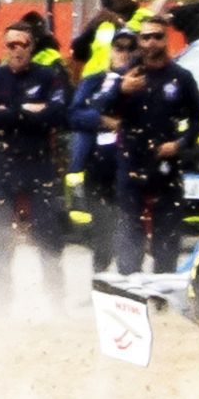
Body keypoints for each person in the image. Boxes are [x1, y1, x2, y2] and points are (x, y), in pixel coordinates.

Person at [100, 17, 199, 274]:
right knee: (129, 230)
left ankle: (161, 295)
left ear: (166, 38)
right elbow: (101, 109)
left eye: (157, 36)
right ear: (139, 40)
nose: (151, 42)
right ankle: (129, 290)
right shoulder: (126, 74)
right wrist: (122, 90)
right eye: (146, 37)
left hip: (166, 162)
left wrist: (181, 143)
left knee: (167, 236)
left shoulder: (180, 77)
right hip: (131, 161)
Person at [0, 21, 69, 302]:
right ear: (4, 47)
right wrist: (26, 111)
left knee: (49, 236)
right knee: (0, 238)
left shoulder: (48, 76)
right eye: (11, 45)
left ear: (32, 48)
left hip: (39, 164)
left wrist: (10, 114)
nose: (17, 50)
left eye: (23, 45)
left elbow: (56, 114)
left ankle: (56, 300)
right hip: (5, 165)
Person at [67, 28, 137, 272]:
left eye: (130, 48)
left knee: (128, 227)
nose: (124, 54)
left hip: (130, 163)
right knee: (101, 230)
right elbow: (74, 115)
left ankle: (129, 281)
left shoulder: (142, 81)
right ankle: (99, 281)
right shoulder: (95, 80)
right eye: (120, 48)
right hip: (97, 163)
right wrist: (103, 120)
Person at [71, 0, 153, 78]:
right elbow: (79, 52)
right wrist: (92, 25)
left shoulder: (143, 16)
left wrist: (118, 23)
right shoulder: (104, 23)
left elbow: (145, 45)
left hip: (128, 78)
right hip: (95, 80)